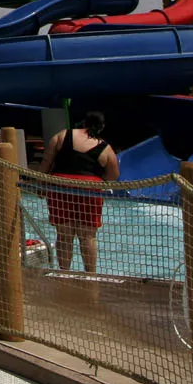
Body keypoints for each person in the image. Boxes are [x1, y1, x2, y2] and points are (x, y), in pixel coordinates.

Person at [39, 111, 119, 272]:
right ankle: (90, 273)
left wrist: (40, 185)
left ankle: (64, 272)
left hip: (60, 186)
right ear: (101, 127)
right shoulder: (105, 148)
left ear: (84, 122)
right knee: (88, 236)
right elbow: (113, 175)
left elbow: (46, 161)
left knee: (64, 234)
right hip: (90, 190)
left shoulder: (62, 136)